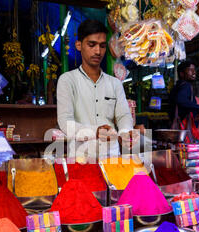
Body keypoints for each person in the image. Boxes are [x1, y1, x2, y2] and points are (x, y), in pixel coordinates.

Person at [56, 19, 138, 157]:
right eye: (91, 45)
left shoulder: (115, 83)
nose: (98, 51)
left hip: (111, 156)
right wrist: (95, 131)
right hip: (80, 157)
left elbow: (123, 115)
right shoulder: (67, 80)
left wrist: (125, 132)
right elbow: (65, 122)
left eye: (102, 46)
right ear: (78, 45)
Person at [168, 60, 199, 124]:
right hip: (182, 125)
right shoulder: (186, 86)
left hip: (175, 123)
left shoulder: (178, 86)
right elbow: (181, 100)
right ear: (182, 73)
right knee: (147, 132)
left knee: (148, 132)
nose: (194, 72)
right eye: (190, 70)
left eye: (194, 70)